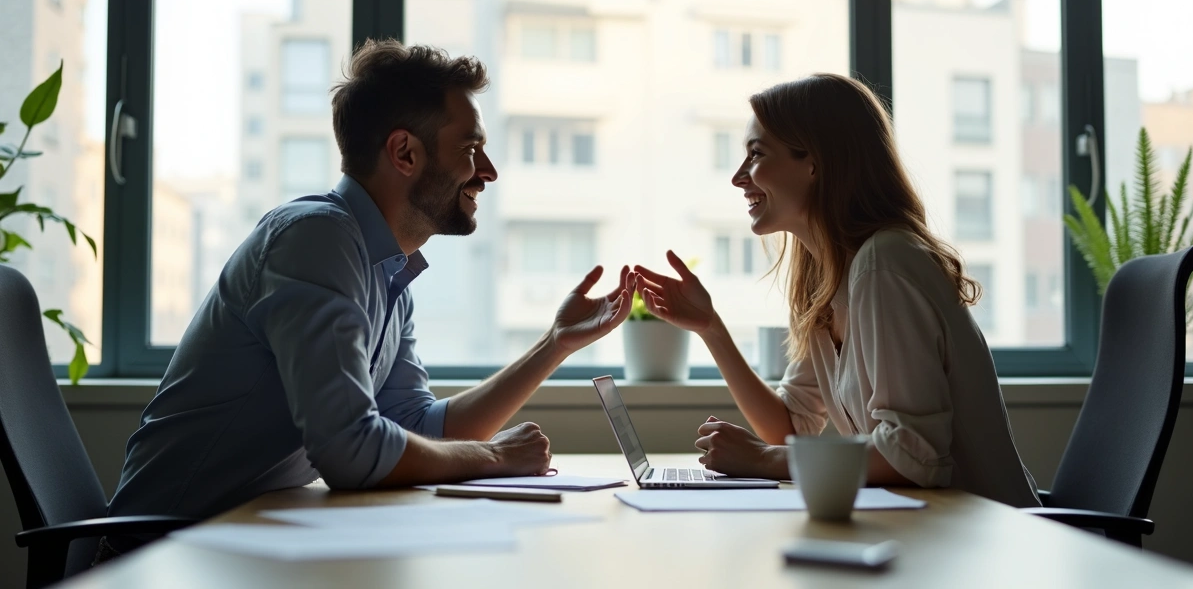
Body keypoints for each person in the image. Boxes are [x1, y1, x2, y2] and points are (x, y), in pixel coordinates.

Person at [102, 39, 637, 559]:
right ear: (404, 152)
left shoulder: (385, 268)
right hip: (166, 557)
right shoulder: (316, 240)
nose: (488, 171)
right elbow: (352, 453)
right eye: (471, 150)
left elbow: (417, 427)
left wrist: (554, 344)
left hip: (243, 541)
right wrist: (494, 457)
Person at [632, 74, 1039, 507]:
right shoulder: (827, 279)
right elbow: (790, 425)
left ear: (815, 163)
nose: (738, 177)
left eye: (755, 155)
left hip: (989, 539)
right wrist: (711, 329)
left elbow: (911, 453)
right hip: (932, 528)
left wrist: (766, 460)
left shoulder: (886, 263)